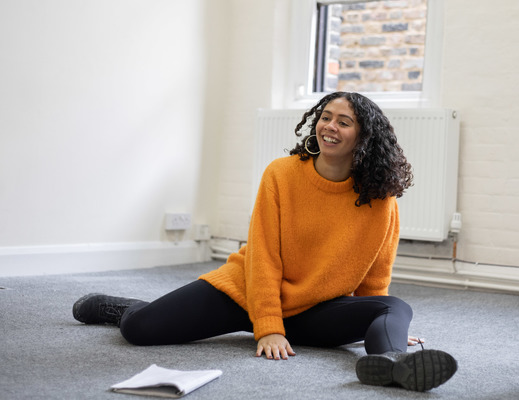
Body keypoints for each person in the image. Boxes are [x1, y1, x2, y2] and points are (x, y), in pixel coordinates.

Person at [73, 92, 457, 392]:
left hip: (315, 309)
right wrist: (269, 325)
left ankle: (394, 364)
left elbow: (375, 274)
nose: (330, 127)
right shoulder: (282, 175)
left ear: (364, 136)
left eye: (344, 122)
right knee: (141, 330)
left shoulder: (380, 198)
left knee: (393, 307)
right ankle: (121, 307)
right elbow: (264, 257)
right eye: (325, 118)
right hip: (246, 293)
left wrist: (380, 325)